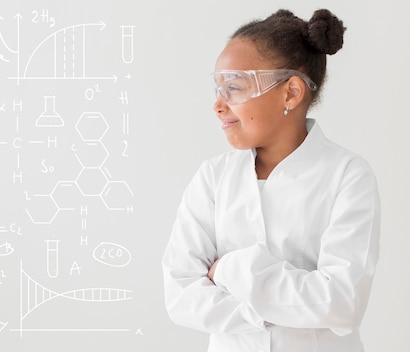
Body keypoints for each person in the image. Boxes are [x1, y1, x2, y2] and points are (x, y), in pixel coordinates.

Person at [162, 9, 380, 352]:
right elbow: (181, 296)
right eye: (217, 88)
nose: (218, 105)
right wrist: (270, 311)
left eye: (233, 87)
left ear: (290, 93)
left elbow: (342, 303)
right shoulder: (212, 178)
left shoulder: (348, 176)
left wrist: (232, 270)